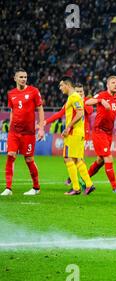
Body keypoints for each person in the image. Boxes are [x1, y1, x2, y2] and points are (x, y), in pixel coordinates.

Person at [1, 68, 45, 196]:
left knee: (29, 159)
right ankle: (8, 188)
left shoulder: (33, 91)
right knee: (10, 155)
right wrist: (10, 126)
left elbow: (40, 109)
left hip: (28, 132)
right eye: (20, 77)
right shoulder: (11, 94)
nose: (23, 79)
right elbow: (13, 111)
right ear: (15, 78)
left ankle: (36, 188)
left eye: (25, 77)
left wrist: (41, 128)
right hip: (14, 131)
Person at [44, 83, 94, 188]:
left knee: (74, 158)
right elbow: (60, 113)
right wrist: (46, 121)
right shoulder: (72, 100)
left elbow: (90, 110)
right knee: (73, 158)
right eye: (78, 91)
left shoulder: (81, 101)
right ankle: (81, 182)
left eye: (81, 92)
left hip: (79, 132)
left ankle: (80, 184)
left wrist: (81, 101)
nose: (80, 93)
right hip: (74, 132)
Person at [84, 75, 116, 193]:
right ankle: (115, 187)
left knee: (100, 160)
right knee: (108, 157)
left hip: (109, 133)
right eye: (113, 83)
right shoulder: (102, 95)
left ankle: (84, 179)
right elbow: (87, 102)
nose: (115, 85)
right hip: (99, 131)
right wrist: (101, 101)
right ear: (108, 85)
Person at [58, 76, 95, 195]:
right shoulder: (74, 97)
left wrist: (68, 127)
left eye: (61, 85)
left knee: (67, 157)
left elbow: (80, 113)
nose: (60, 88)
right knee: (76, 159)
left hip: (74, 133)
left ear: (67, 85)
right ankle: (89, 184)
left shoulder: (74, 97)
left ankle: (76, 188)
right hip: (78, 132)